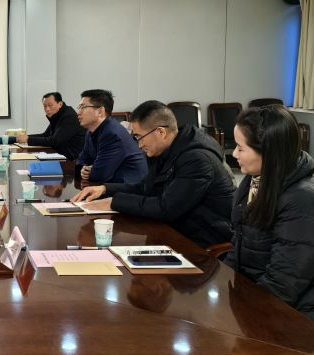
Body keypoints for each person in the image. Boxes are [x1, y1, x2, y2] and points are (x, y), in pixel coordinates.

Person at [72, 100, 235, 248]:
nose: (138, 145)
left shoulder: (197, 160)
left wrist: (114, 202)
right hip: (172, 231)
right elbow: (145, 188)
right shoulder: (164, 150)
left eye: (139, 137)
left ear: (161, 132)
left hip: (199, 242)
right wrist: (105, 189)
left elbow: (167, 208)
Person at [223, 105, 314, 319]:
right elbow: (238, 244)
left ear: (269, 153)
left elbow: (285, 281)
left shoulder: (302, 199)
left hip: (290, 313)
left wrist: (244, 311)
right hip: (255, 298)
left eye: (241, 148)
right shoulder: (254, 180)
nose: (234, 154)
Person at [75, 89, 147, 184]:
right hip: (110, 184)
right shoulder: (91, 130)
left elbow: (100, 175)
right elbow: (82, 160)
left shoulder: (112, 133)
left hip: (130, 187)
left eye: (83, 107)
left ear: (100, 111)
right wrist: (83, 170)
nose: (78, 112)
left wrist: (91, 170)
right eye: (79, 107)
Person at [15, 92, 85, 160]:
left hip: (74, 159)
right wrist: (25, 138)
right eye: (45, 106)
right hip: (62, 154)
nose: (47, 109)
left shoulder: (69, 117)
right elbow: (45, 135)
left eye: (50, 105)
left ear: (60, 104)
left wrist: (28, 139)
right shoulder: (57, 115)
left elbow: (55, 141)